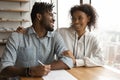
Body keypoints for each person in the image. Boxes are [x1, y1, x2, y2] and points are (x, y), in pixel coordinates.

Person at [0, 2, 74, 80]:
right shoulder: (16, 37)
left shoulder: (55, 37)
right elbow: (4, 69)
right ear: (39, 16)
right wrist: (29, 71)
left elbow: (68, 60)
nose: (54, 19)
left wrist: (45, 68)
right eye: (50, 15)